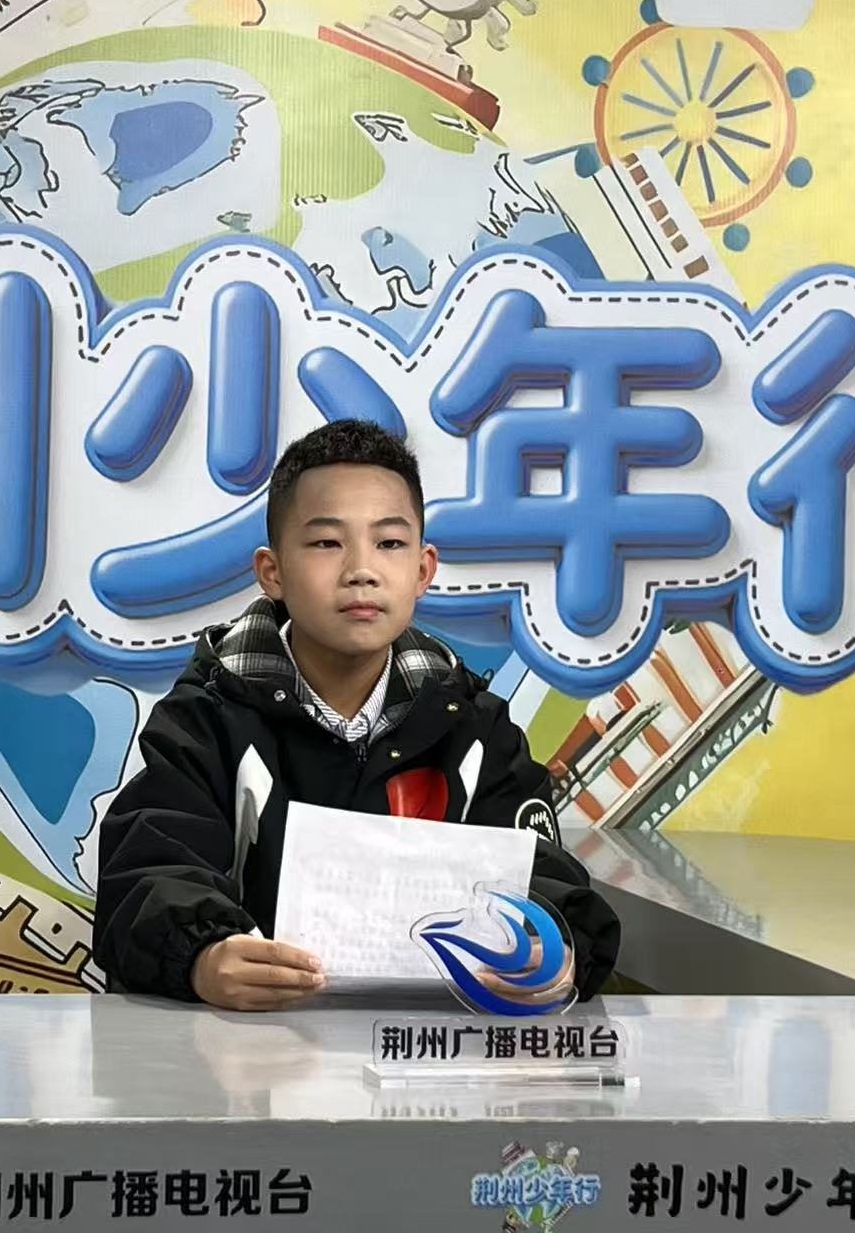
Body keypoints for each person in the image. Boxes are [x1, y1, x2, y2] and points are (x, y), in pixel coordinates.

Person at [93, 420, 620, 1011]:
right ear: (272, 572)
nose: (361, 570)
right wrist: (203, 958)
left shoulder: (473, 726)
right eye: (326, 543)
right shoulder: (208, 716)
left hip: (427, 1051)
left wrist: (552, 950)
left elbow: (544, 878)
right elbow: (150, 867)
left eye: (389, 543)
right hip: (250, 1045)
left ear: (423, 570)